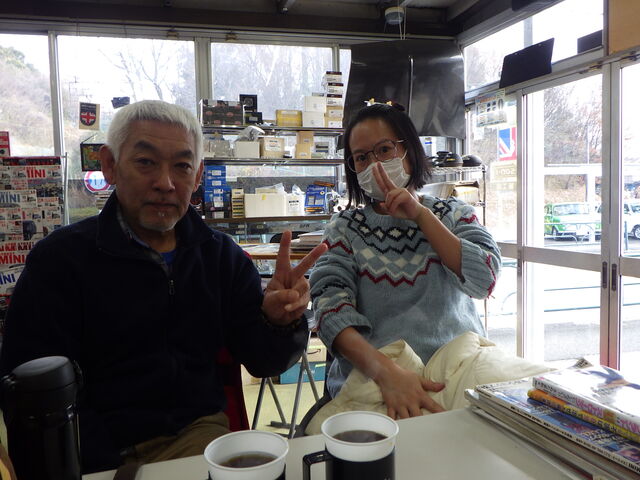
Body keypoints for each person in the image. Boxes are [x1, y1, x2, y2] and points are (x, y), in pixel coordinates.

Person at [0, 100, 327, 473]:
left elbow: (264, 361)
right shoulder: (59, 261)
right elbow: (28, 389)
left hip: (196, 435)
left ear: (198, 175)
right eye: (146, 162)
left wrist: (279, 322)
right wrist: (107, 464)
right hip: (92, 449)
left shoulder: (221, 258)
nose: (165, 183)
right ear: (110, 165)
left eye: (182, 166)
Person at [310, 103, 501, 420]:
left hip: (458, 368)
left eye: (384, 150)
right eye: (361, 158)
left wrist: (422, 216)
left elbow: (485, 279)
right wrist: (387, 374)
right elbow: (330, 312)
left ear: (410, 151)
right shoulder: (344, 229)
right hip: (378, 378)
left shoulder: (454, 214)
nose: (375, 165)